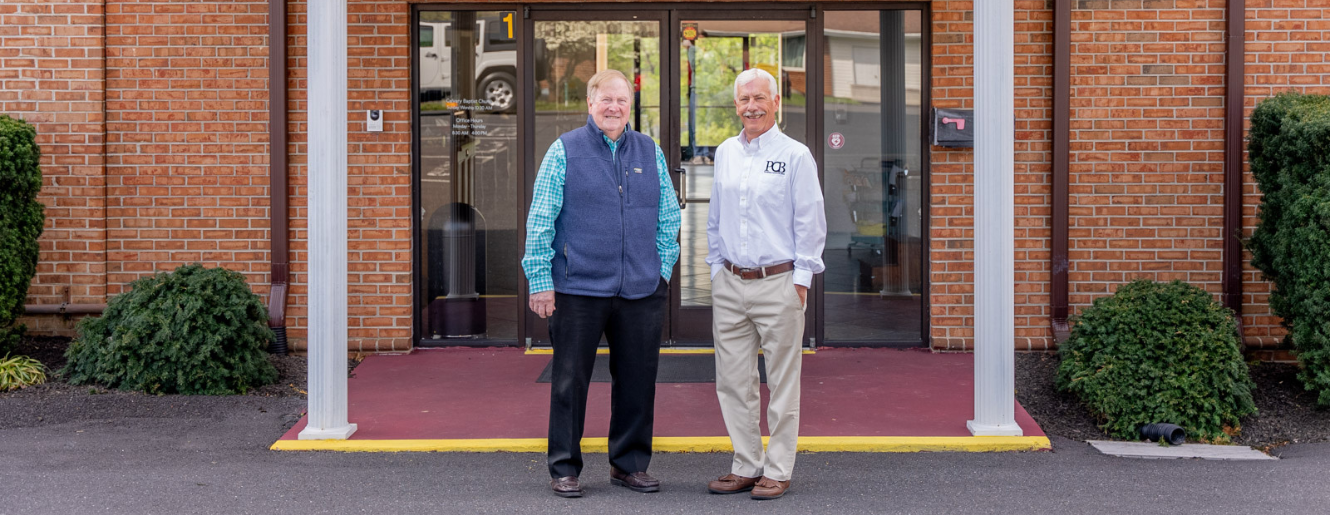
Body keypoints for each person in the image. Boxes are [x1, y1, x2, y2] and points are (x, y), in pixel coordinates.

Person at [521, 69, 681, 498]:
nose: (614, 107)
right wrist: (540, 279)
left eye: (622, 101)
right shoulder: (565, 151)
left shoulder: (649, 150)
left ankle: (628, 465)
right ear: (590, 104)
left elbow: (668, 217)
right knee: (570, 380)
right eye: (606, 100)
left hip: (641, 290)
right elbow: (540, 220)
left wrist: (661, 269)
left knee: (638, 379)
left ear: (631, 106)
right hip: (578, 289)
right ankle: (564, 467)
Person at [704, 68, 826, 501]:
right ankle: (746, 464)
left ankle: (778, 469)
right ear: (735, 105)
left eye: (759, 97)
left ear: (776, 102)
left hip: (779, 283)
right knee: (734, 381)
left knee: (782, 382)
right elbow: (715, 217)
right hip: (731, 283)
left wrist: (802, 279)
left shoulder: (796, 156)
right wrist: (716, 268)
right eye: (743, 99)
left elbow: (810, 220)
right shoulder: (725, 152)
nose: (751, 106)